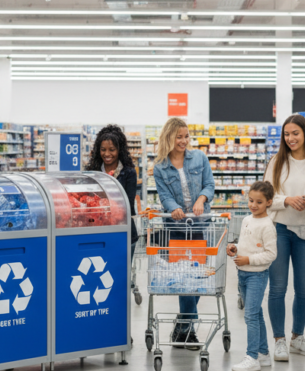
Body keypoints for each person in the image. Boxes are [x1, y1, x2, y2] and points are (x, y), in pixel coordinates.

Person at [264, 114, 305, 362]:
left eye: (295, 133)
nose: (290, 138)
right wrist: (287, 200)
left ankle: (297, 337)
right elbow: (266, 197)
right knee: (278, 288)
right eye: (286, 134)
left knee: (304, 289)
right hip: (279, 229)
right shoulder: (277, 162)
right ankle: (279, 340)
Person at [152, 117, 215, 348]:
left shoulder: (199, 157)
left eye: (186, 136)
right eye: (179, 136)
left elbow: (210, 184)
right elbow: (164, 195)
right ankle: (188, 329)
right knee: (184, 278)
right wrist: (173, 208)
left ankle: (183, 323)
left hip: (200, 226)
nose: (184, 141)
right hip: (176, 228)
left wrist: (201, 199)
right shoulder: (159, 166)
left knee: (196, 278)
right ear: (168, 137)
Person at [229, 181, 278, 371]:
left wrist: (248, 259)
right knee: (256, 314)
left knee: (249, 316)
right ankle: (263, 353)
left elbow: (271, 254)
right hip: (243, 274)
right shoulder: (247, 220)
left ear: (269, 202)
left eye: (259, 202)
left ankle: (252, 357)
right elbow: (246, 243)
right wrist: (235, 249)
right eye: (251, 200)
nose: (253, 205)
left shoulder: (267, 226)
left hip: (257, 276)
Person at [85, 124, 139, 277]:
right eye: (103, 149)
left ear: (119, 150)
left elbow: (127, 206)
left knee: (121, 276)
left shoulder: (128, 172)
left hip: (124, 233)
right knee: (98, 274)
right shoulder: (92, 171)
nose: (107, 154)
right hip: (97, 232)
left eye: (112, 150)